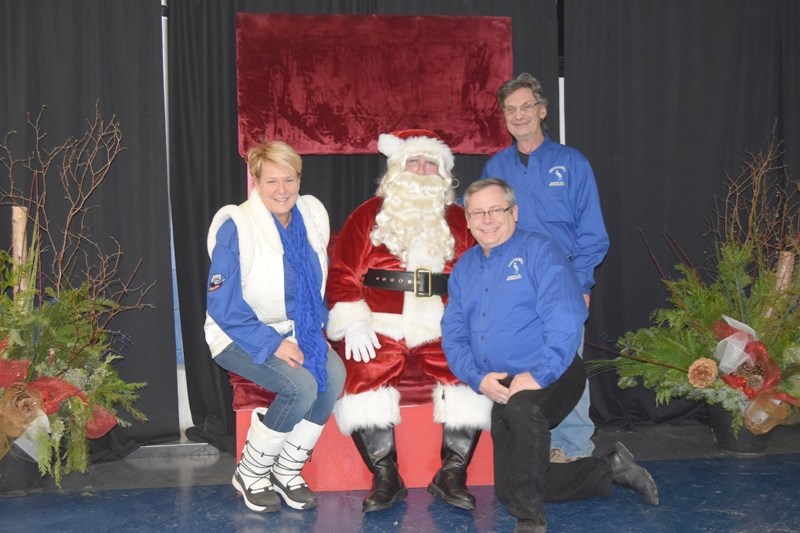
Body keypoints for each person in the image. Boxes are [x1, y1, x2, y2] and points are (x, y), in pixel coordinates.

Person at [441, 179, 657, 533]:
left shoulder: (541, 251)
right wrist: (477, 377)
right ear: (467, 220)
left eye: (496, 209)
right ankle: (609, 468)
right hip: (501, 381)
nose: (488, 219)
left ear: (514, 212)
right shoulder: (463, 269)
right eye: (478, 212)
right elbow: (453, 334)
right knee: (508, 490)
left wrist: (540, 375)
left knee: (525, 409)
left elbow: (566, 317)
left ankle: (531, 520)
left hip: (554, 371)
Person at [326, 130, 492, 513]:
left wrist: (468, 323)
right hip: (379, 322)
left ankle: (452, 474)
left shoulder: (459, 219)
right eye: (414, 161)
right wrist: (352, 319)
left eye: (430, 163)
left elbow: (477, 275)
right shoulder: (368, 213)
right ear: (397, 169)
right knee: (363, 372)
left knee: (469, 372)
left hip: (442, 322)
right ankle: (385, 476)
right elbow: (343, 271)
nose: (421, 170)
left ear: (444, 172)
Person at [204, 140, 346, 513]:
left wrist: (320, 327)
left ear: (299, 180)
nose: (282, 190)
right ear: (255, 181)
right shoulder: (237, 226)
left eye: (289, 180)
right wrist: (272, 344)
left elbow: (314, 287)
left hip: (297, 327)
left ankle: (287, 469)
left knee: (333, 375)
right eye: (271, 181)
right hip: (237, 332)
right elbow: (222, 305)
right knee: (300, 386)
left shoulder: (311, 218)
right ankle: (251, 471)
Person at [478, 73, 610, 463]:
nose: (519, 116)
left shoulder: (572, 163)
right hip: (513, 280)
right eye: (510, 109)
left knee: (565, 360)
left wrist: (582, 281)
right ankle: (523, 438)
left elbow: (592, 232)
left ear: (542, 110)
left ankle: (573, 445)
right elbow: (485, 225)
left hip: (564, 278)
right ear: (504, 116)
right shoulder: (495, 167)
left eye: (526, 107)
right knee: (516, 359)